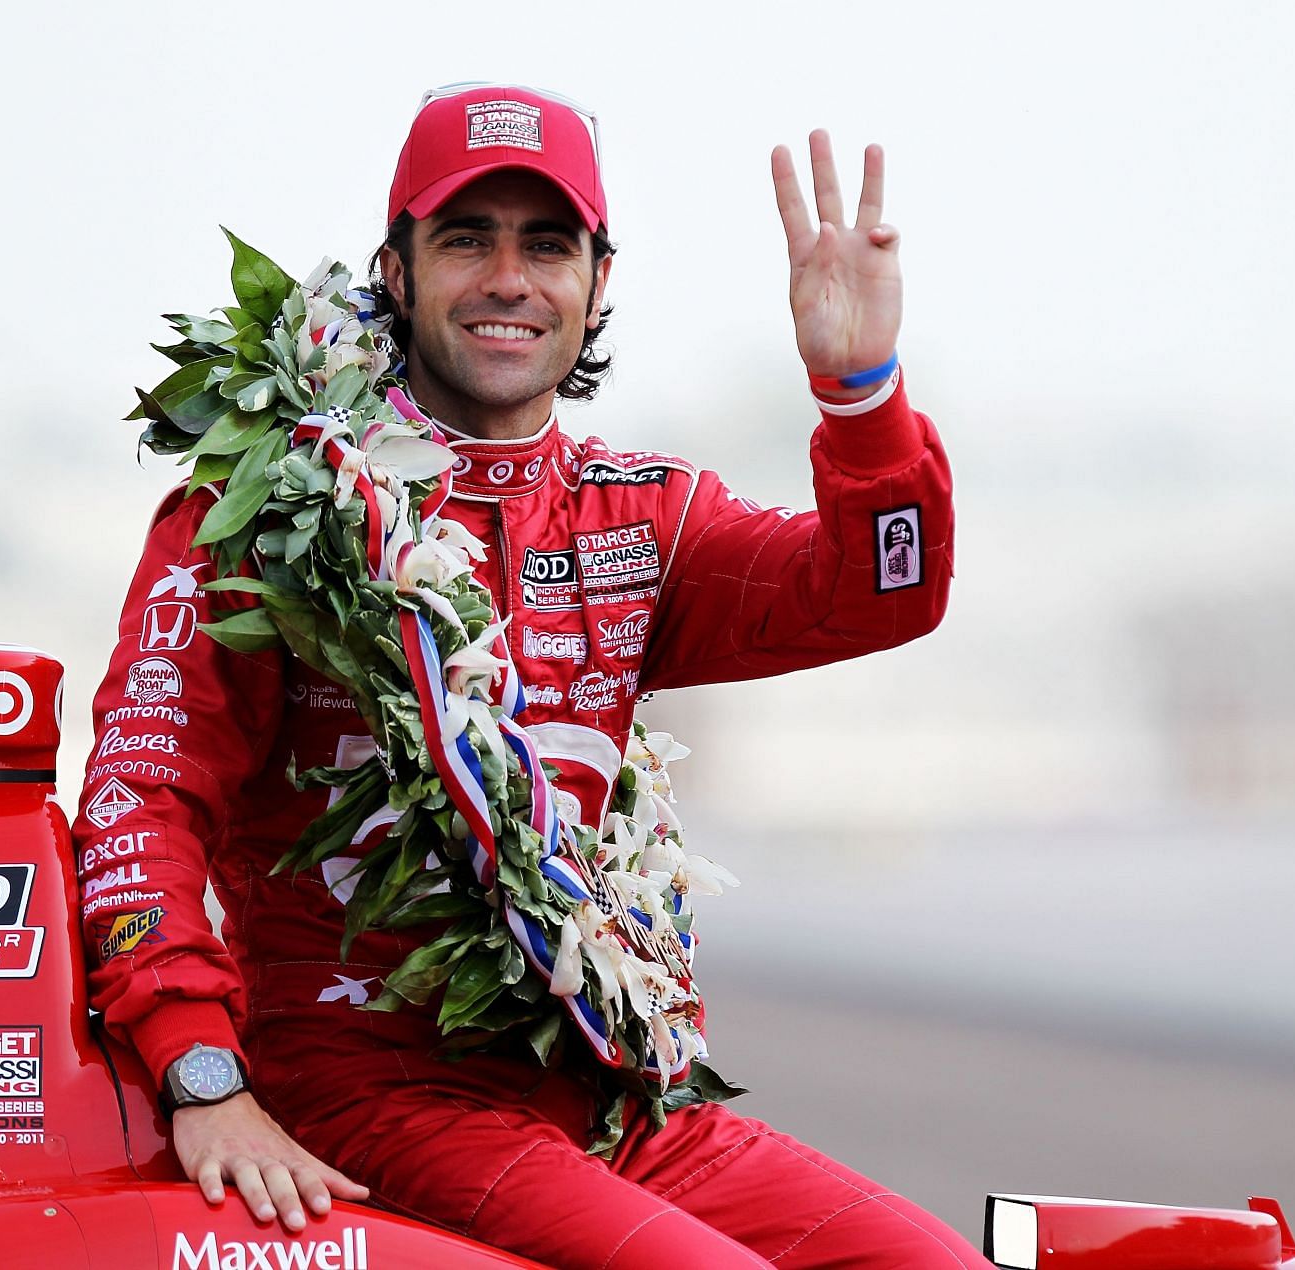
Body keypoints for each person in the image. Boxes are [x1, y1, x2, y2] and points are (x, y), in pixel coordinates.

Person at [73, 82, 975, 1268]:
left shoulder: (642, 514)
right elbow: (142, 798)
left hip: (613, 1094)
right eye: (466, 240)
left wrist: (859, 394)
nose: (509, 278)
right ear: (394, 271)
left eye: (547, 244)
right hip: (373, 1089)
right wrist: (201, 1076)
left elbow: (877, 589)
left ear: (599, 280)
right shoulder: (266, 510)